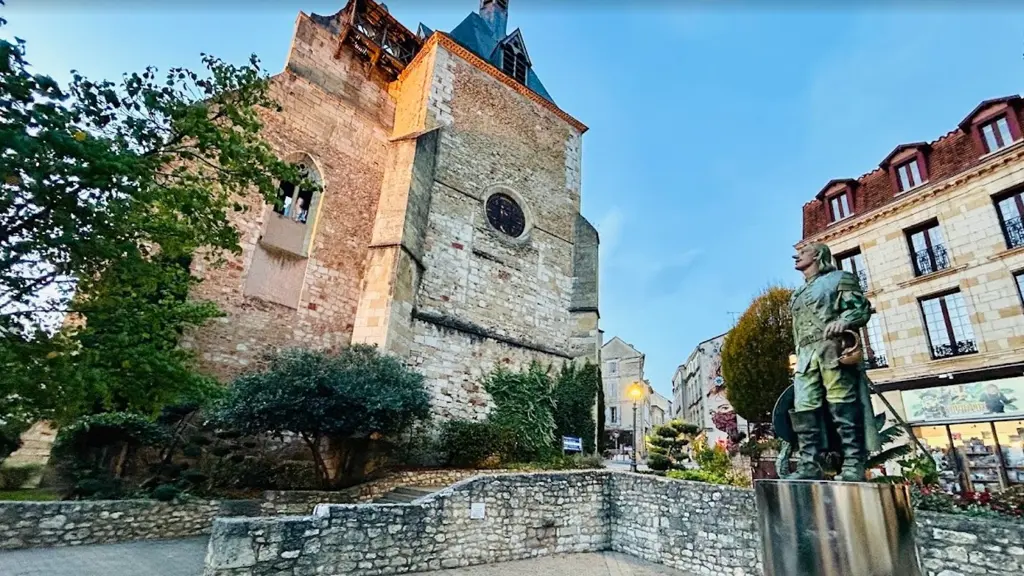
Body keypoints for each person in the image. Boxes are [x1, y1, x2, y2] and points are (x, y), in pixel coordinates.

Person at [789, 242, 880, 481]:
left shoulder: (840, 278)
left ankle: (853, 463)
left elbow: (862, 309)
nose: (796, 256)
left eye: (802, 252)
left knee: (842, 404)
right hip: (805, 357)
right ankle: (809, 464)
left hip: (832, 351)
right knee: (804, 408)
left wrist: (845, 320)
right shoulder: (797, 294)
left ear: (818, 255)